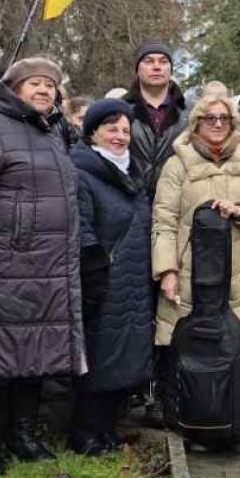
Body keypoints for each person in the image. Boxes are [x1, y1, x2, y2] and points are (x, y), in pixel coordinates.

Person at [0, 57, 88, 475]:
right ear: (13, 88)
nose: (44, 90)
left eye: (50, 84)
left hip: (48, 268)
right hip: (2, 267)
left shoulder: (50, 133)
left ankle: (23, 435)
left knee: (34, 356)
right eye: (35, 83)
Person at [150, 94, 240, 453]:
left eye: (225, 117)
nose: (219, 124)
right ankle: (197, 428)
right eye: (210, 118)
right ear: (196, 123)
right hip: (191, 278)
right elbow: (163, 222)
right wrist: (166, 271)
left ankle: (238, 430)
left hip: (238, 279)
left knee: (238, 360)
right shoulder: (177, 166)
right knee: (194, 358)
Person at [69, 99, 157, 455]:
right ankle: (84, 431)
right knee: (99, 356)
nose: (120, 136)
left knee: (124, 357)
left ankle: (107, 427)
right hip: (102, 280)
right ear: (93, 133)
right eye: (111, 129)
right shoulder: (82, 172)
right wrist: (96, 272)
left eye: (125, 130)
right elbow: (82, 228)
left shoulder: (134, 172)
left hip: (134, 280)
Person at [124, 41, 187, 190]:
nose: (157, 67)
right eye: (149, 61)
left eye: (164, 62)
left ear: (171, 70)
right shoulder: (120, 110)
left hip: (176, 198)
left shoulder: (189, 113)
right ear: (137, 69)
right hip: (131, 196)